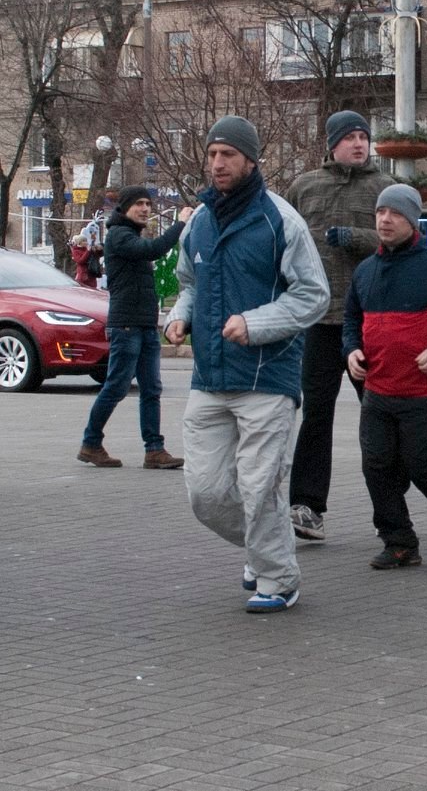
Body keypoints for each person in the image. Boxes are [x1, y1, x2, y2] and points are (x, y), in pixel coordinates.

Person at [165, 116, 331, 612]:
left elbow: (313, 295)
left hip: (268, 378)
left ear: (250, 160)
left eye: (228, 155)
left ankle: (278, 579)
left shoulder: (281, 221)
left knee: (259, 489)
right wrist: (180, 315)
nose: (218, 163)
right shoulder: (197, 221)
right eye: (213, 154)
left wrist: (254, 323)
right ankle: (263, 551)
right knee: (206, 494)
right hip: (210, 377)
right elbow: (189, 282)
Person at [343, 184, 427, 571]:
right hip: (378, 389)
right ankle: (399, 541)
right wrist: (350, 348)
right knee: (376, 465)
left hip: (424, 389)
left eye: (396, 214)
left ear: (413, 220)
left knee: (421, 466)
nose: (385, 220)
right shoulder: (366, 270)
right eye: (381, 212)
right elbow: (351, 319)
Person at [284, 110, 395, 543]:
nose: (358, 144)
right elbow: (283, 239)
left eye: (363, 137)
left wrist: (355, 237)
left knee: (380, 417)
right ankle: (306, 506)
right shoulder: (304, 186)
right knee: (316, 414)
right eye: (349, 137)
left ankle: (391, 509)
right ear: (332, 144)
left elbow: (400, 239)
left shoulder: (383, 188)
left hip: (369, 321)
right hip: (318, 320)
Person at [80, 187, 195, 469]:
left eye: (148, 203)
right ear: (125, 208)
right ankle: (91, 443)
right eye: (139, 204)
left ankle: (154, 450)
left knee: (152, 389)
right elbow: (154, 249)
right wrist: (180, 223)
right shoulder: (119, 236)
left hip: (144, 325)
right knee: (116, 387)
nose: (145, 208)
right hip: (126, 326)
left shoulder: (131, 234)